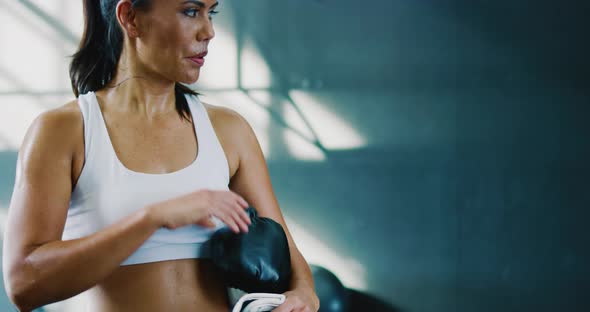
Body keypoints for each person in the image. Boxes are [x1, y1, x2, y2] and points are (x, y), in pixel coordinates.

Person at [1, 0, 319, 311]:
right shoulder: (64, 131)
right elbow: (23, 285)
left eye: (212, 13)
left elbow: (289, 259)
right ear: (131, 18)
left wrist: (303, 295)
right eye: (191, 11)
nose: (208, 31)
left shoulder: (230, 130)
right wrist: (153, 218)